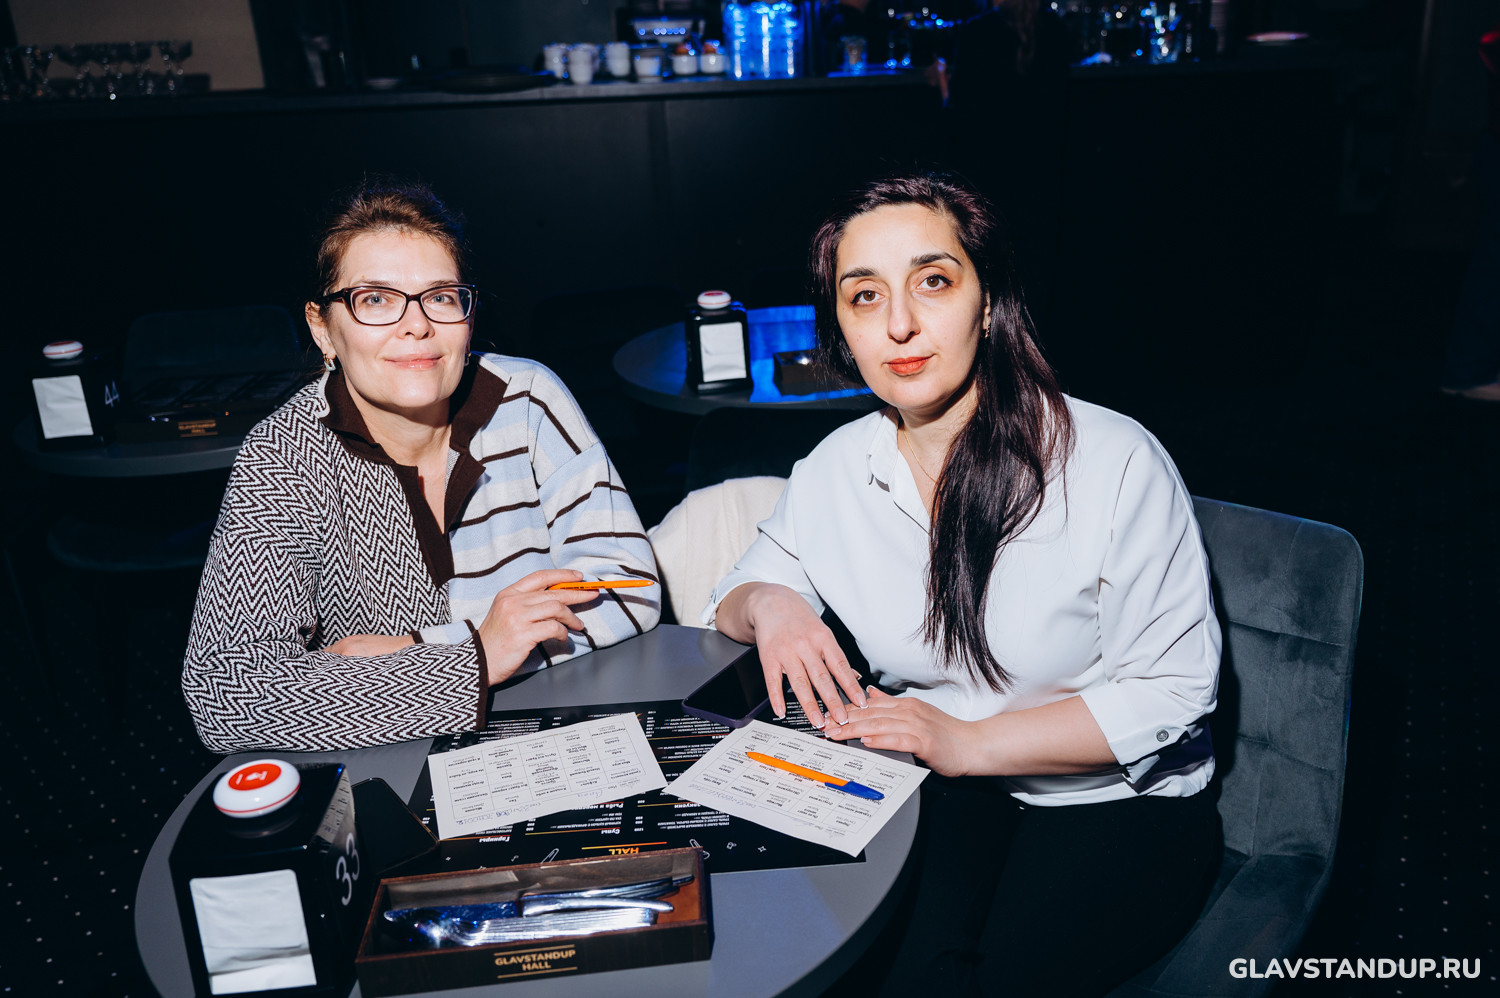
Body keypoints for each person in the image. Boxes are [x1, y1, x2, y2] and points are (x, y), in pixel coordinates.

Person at [706, 172, 1219, 996]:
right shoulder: (837, 468)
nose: (899, 324)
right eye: (864, 296)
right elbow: (739, 591)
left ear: (988, 304)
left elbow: (1174, 692)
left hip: (1113, 799)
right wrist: (774, 605)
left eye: (933, 282)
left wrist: (967, 740)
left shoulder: (1112, 459)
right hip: (942, 789)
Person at [183, 180, 660, 753]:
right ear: (322, 328)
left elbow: (632, 588)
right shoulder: (282, 455)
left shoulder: (529, 399)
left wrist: (426, 649)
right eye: (375, 299)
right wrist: (476, 658)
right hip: (390, 759)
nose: (416, 325)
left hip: (566, 727)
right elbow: (222, 692)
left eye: (440, 297)